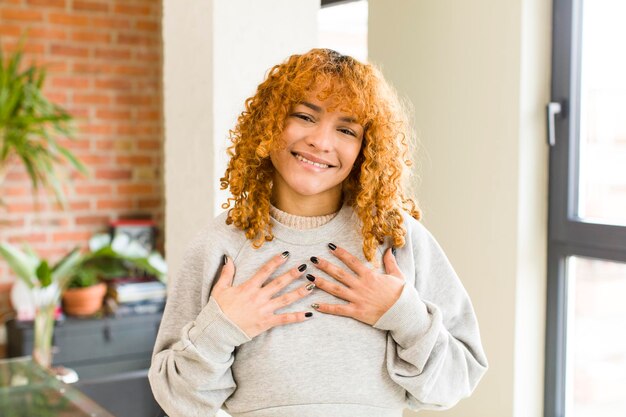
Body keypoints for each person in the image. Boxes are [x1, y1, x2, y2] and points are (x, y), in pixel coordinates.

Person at [148, 48, 487, 417]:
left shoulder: (396, 238)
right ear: (268, 123)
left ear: (366, 147)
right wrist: (222, 328)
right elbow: (176, 400)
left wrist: (402, 314)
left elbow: (457, 380)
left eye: (346, 129)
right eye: (305, 116)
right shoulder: (219, 246)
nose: (321, 142)